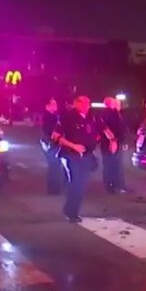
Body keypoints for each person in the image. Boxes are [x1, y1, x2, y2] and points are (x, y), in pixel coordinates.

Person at [54, 95, 115, 223]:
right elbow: (56, 136)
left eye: (88, 103)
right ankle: (71, 212)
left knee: (82, 184)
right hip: (70, 154)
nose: (86, 105)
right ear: (76, 103)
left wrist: (113, 140)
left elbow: (104, 129)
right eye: (83, 102)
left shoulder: (92, 117)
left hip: (87, 155)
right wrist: (74, 146)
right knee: (76, 183)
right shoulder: (67, 117)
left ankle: (73, 210)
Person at [100, 97, 127, 194]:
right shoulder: (111, 114)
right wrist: (114, 141)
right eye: (116, 103)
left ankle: (115, 185)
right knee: (113, 164)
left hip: (113, 142)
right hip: (111, 143)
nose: (118, 104)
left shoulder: (113, 114)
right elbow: (113, 129)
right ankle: (114, 186)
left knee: (112, 164)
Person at [40, 98, 66, 195]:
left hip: (54, 143)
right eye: (53, 104)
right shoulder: (48, 117)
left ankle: (55, 187)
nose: (55, 106)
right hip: (51, 144)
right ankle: (53, 189)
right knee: (54, 167)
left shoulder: (54, 116)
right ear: (47, 106)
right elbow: (47, 131)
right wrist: (49, 143)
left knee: (56, 167)